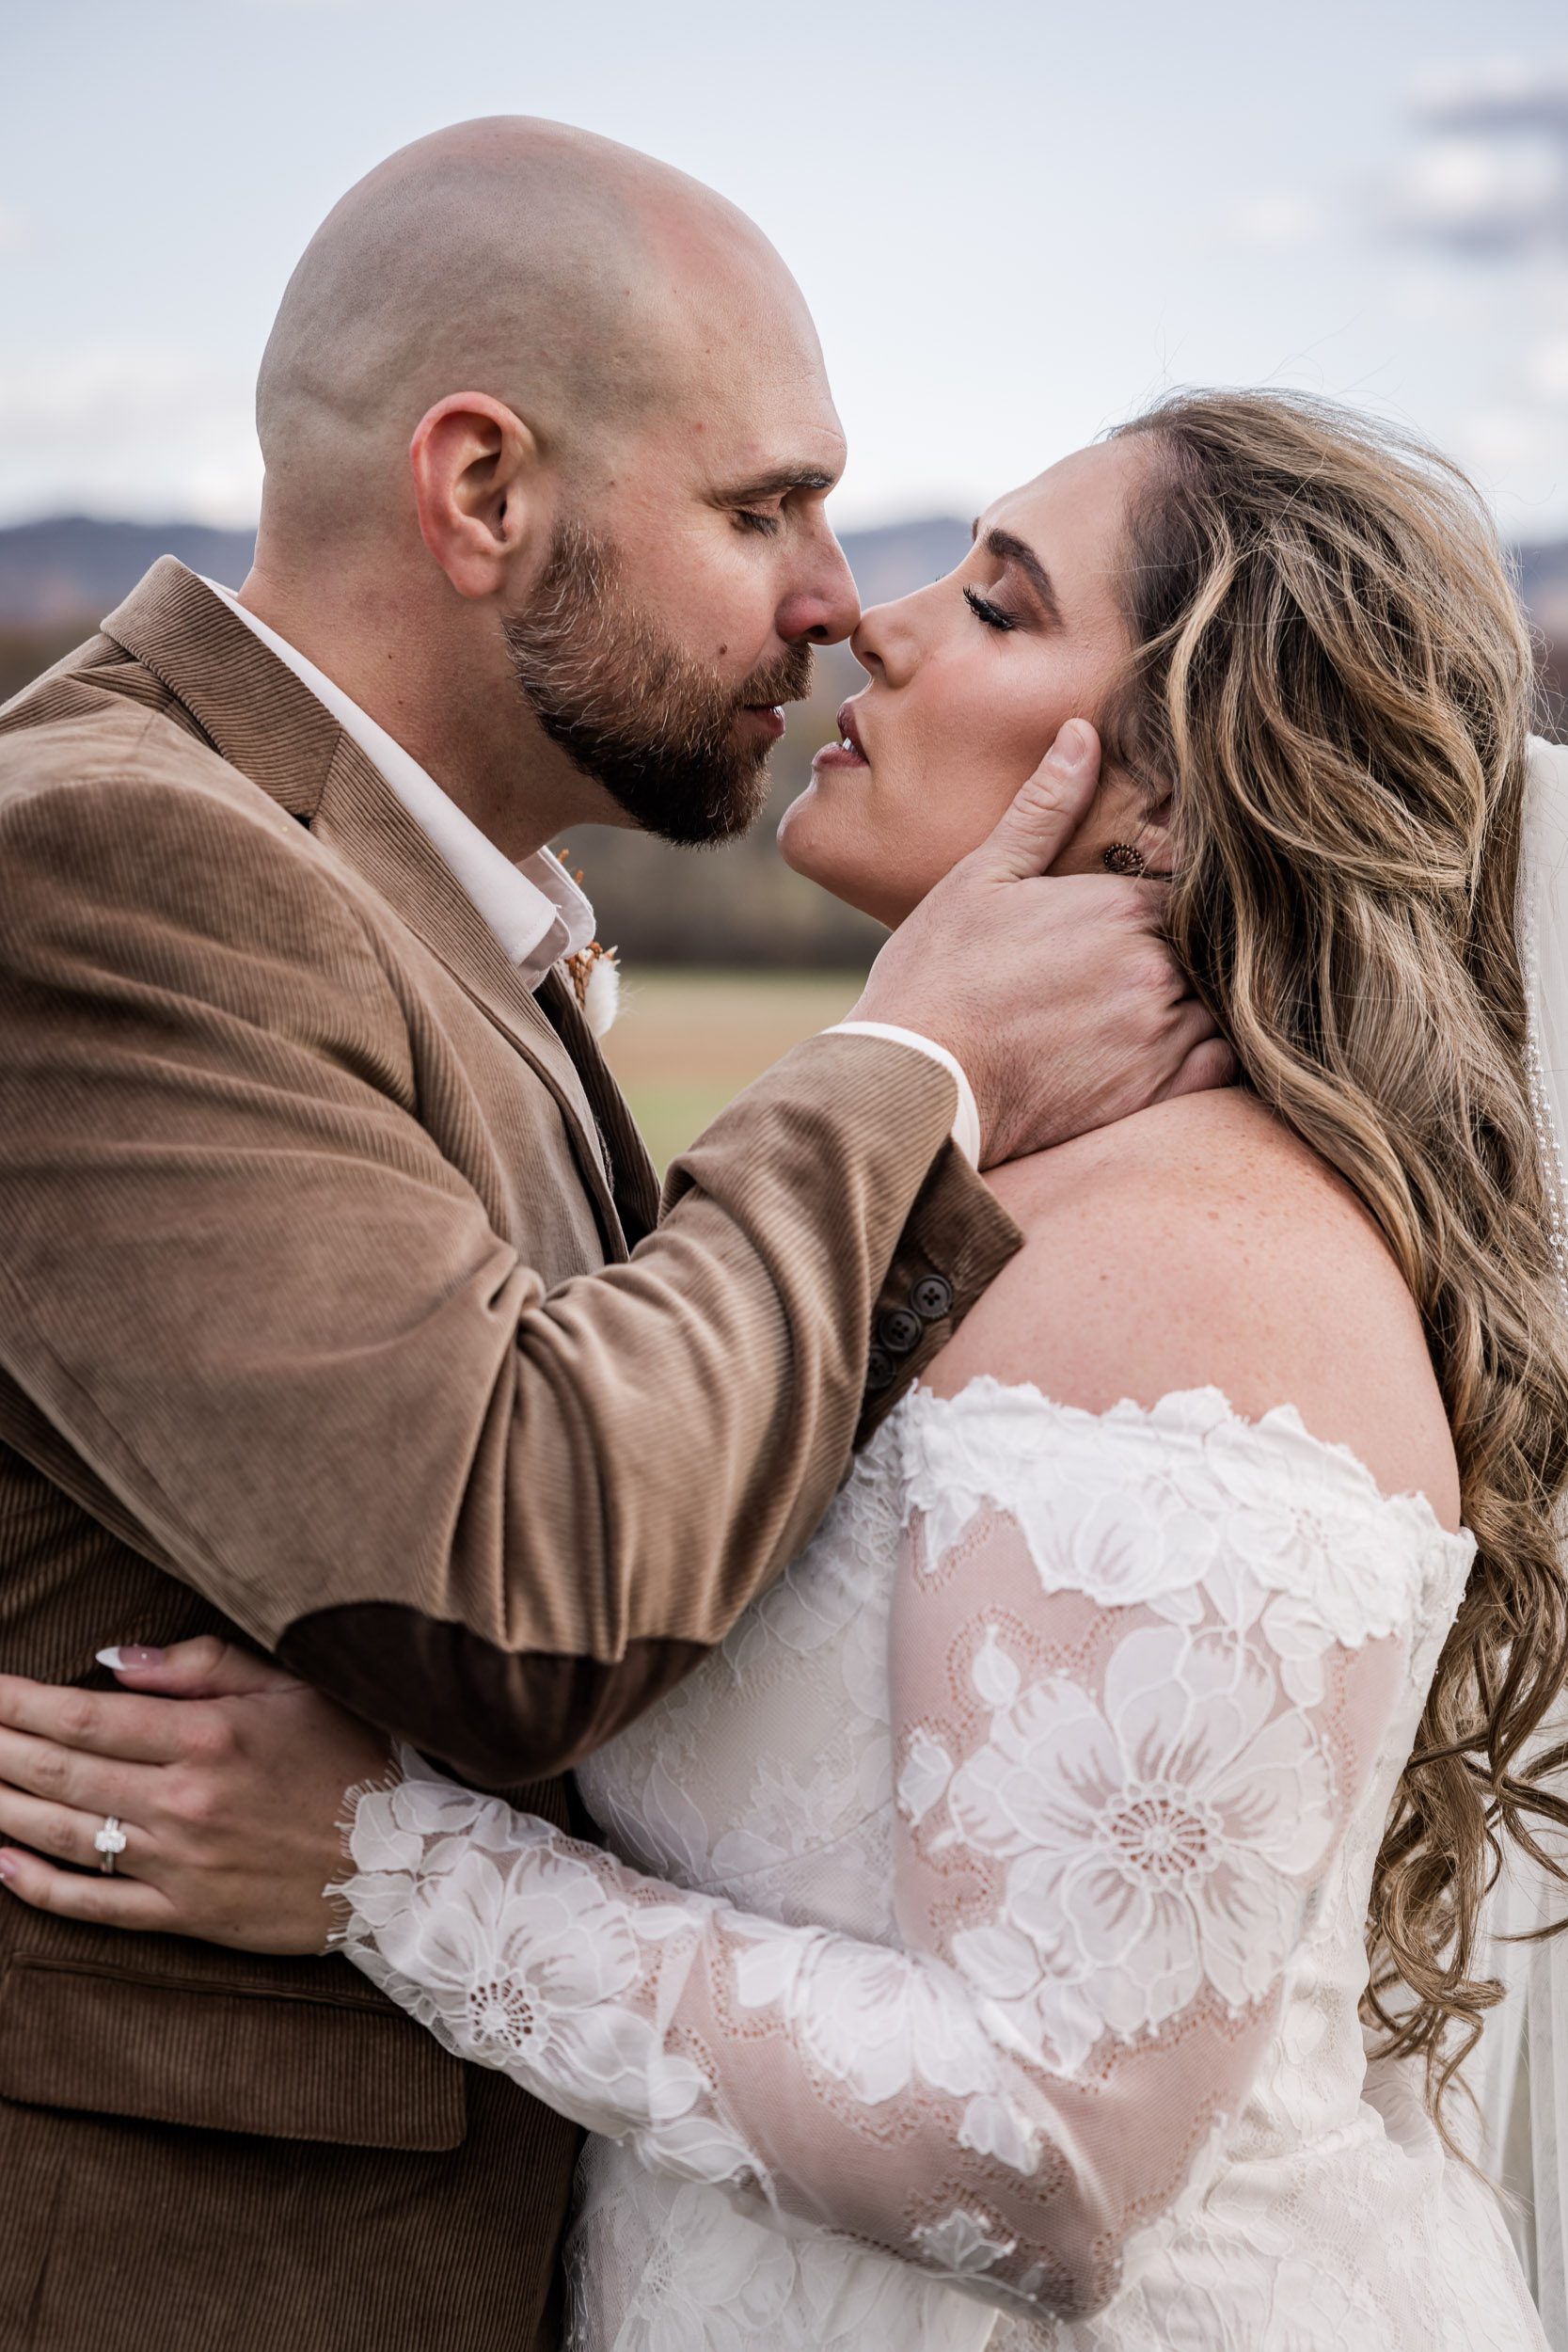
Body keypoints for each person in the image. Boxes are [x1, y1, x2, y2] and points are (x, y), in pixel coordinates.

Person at [8, 391, 1565, 2349]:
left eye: (995, 605)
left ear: (1170, 796)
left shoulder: (1204, 1271)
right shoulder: (994, 1195)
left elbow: (1053, 2157)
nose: (871, 622)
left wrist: (376, 1862)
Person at [0, 120, 1220, 2352]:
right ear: (481, 495)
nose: (840, 598)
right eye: (763, 508)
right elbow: (520, 1579)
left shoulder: (426, 897)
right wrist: (909, 1065)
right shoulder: (103, 870)